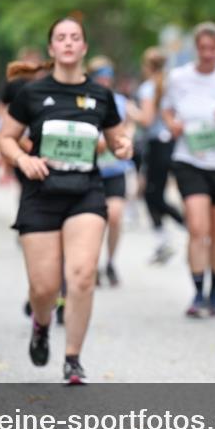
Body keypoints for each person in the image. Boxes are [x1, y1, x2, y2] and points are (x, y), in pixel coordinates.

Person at [0, 17, 132, 385]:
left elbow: (118, 140)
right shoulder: (32, 94)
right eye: (61, 37)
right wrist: (23, 159)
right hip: (40, 194)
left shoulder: (100, 96)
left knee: (82, 276)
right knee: (43, 288)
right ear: (52, 49)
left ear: (84, 48)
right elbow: (5, 138)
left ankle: (73, 359)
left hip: (85, 193)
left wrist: (124, 146)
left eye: (75, 37)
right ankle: (41, 326)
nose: (69, 43)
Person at [162, 23, 215, 317]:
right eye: (202, 48)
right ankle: (198, 293)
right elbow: (167, 108)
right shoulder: (179, 77)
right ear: (195, 49)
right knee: (198, 228)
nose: (208, 54)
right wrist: (172, 123)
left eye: (213, 49)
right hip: (190, 159)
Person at [88, 56, 135, 286]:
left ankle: (110, 262)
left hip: (115, 169)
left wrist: (126, 140)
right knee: (96, 221)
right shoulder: (85, 100)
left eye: (108, 79)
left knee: (115, 217)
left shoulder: (119, 101)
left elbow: (131, 125)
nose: (105, 83)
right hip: (92, 171)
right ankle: (93, 264)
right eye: (100, 79)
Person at [135, 47, 185, 264]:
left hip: (157, 145)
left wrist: (129, 111)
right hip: (171, 144)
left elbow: (146, 119)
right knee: (153, 194)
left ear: (147, 66)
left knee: (152, 195)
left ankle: (191, 228)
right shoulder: (171, 85)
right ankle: (163, 240)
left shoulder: (149, 88)